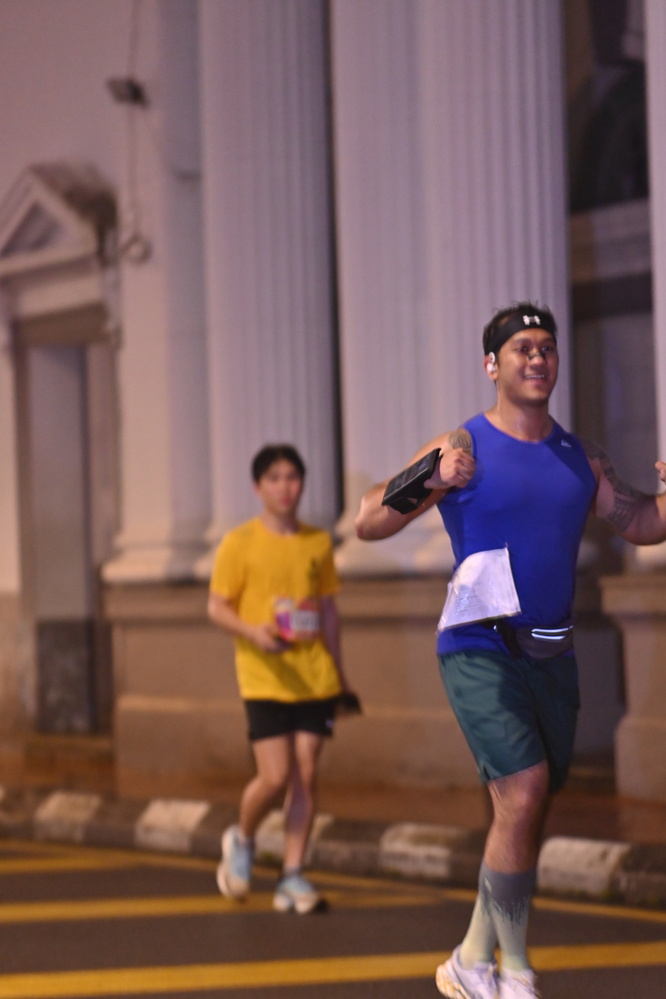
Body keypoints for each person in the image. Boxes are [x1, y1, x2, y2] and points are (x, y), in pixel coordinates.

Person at [355, 302, 666, 999]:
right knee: (523, 791)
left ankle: (471, 957)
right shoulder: (462, 444)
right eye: (522, 347)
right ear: (492, 365)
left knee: (525, 808)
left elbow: (643, 520)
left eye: (546, 347)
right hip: (477, 643)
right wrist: (431, 476)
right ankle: (516, 968)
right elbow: (367, 519)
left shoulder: (580, 458)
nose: (538, 357)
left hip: (552, 652)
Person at [208, 443, 355, 914]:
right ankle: (242, 838)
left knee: (305, 775)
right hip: (264, 675)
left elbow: (328, 610)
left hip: (314, 676)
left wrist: (340, 675)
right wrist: (254, 632)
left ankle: (292, 874)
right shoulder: (239, 543)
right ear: (258, 487)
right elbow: (216, 606)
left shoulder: (317, 542)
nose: (284, 487)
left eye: (292, 477)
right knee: (274, 777)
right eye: (274, 478)